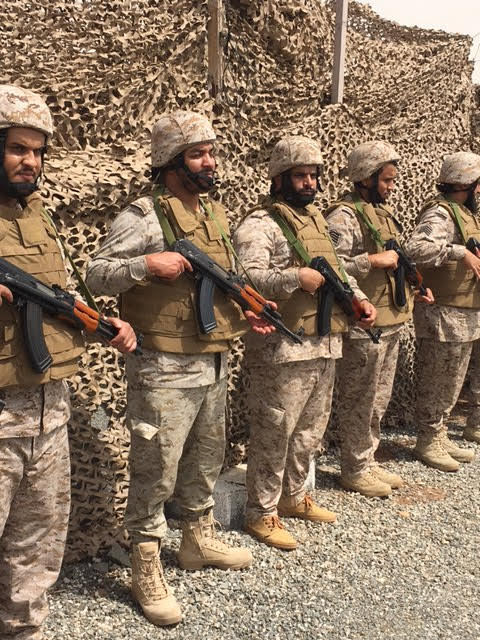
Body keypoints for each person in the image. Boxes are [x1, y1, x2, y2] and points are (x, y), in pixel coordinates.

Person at [86, 110, 275, 626]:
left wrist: (246, 309)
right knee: (156, 467)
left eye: (211, 152)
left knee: (206, 457)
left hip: (212, 359)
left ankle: (196, 539)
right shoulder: (144, 216)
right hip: (163, 366)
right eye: (197, 154)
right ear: (170, 162)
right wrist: (145, 265)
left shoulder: (213, 213)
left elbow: (227, 276)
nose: (209, 162)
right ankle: (145, 565)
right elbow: (96, 274)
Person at [0, 84, 137, 640]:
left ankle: (24, 630)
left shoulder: (39, 217)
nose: (30, 161)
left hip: (48, 412)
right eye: (17, 148)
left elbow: (58, 297)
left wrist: (103, 324)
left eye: (38, 151)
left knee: (38, 544)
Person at [233, 135, 376, 549]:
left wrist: (360, 300)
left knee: (310, 431)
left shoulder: (315, 221)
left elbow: (339, 271)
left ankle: (294, 495)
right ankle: (261, 512)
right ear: (279, 179)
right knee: (274, 431)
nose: (309, 183)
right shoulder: (260, 224)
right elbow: (246, 278)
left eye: (314, 175)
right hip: (282, 349)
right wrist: (295, 278)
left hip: (324, 342)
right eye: (300, 176)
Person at [325, 141, 434, 498]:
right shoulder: (343, 216)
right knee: (360, 399)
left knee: (378, 398)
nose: (391, 186)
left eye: (392, 180)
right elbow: (332, 266)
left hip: (390, 320)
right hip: (364, 325)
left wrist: (415, 286)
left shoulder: (380, 213)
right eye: (386, 180)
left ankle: (367, 459)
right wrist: (371, 261)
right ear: (365, 178)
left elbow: (396, 261)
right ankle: (354, 467)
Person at [405, 151, 480, 471]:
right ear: (466, 183)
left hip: (462, 311)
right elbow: (416, 248)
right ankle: (427, 439)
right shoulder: (440, 213)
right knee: (438, 379)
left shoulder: (464, 213)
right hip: (443, 314)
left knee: (451, 381)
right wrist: (459, 252)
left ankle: (439, 433)